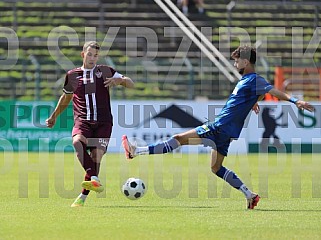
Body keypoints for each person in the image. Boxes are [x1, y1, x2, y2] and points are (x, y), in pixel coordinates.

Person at [122, 45, 314, 209]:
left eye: (237, 61)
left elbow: (272, 89)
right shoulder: (248, 82)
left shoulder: (254, 79)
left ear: (246, 62)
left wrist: (295, 101)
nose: (235, 64)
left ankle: (136, 151)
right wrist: (254, 100)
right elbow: (258, 93)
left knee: (179, 139)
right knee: (215, 167)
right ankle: (250, 195)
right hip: (227, 132)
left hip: (220, 127)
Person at [46, 41, 134, 207]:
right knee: (76, 141)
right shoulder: (73, 75)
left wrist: (120, 81)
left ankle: (83, 197)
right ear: (83, 54)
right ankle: (93, 178)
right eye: (90, 54)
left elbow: (131, 83)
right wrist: (54, 116)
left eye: (95, 55)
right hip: (83, 120)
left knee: (96, 156)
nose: (93, 58)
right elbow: (65, 98)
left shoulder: (105, 71)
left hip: (104, 122)